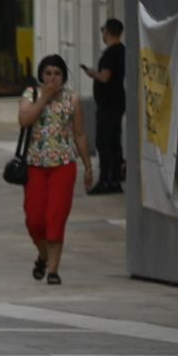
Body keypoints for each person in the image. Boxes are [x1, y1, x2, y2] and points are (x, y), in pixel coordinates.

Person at [18, 54, 92, 285]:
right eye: (48, 73)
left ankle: (53, 270)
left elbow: (79, 134)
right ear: (41, 75)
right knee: (34, 219)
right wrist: (44, 98)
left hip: (63, 164)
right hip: (35, 165)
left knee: (56, 217)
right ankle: (43, 255)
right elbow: (24, 120)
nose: (52, 78)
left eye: (57, 74)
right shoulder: (31, 94)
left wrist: (88, 166)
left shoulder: (72, 99)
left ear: (63, 76)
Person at [81, 18, 126, 195]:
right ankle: (114, 179)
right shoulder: (122, 50)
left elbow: (105, 77)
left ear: (107, 32)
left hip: (108, 104)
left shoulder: (110, 54)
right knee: (114, 142)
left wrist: (93, 73)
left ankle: (105, 180)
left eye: (103, 30)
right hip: (117, 102)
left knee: (104, 142)